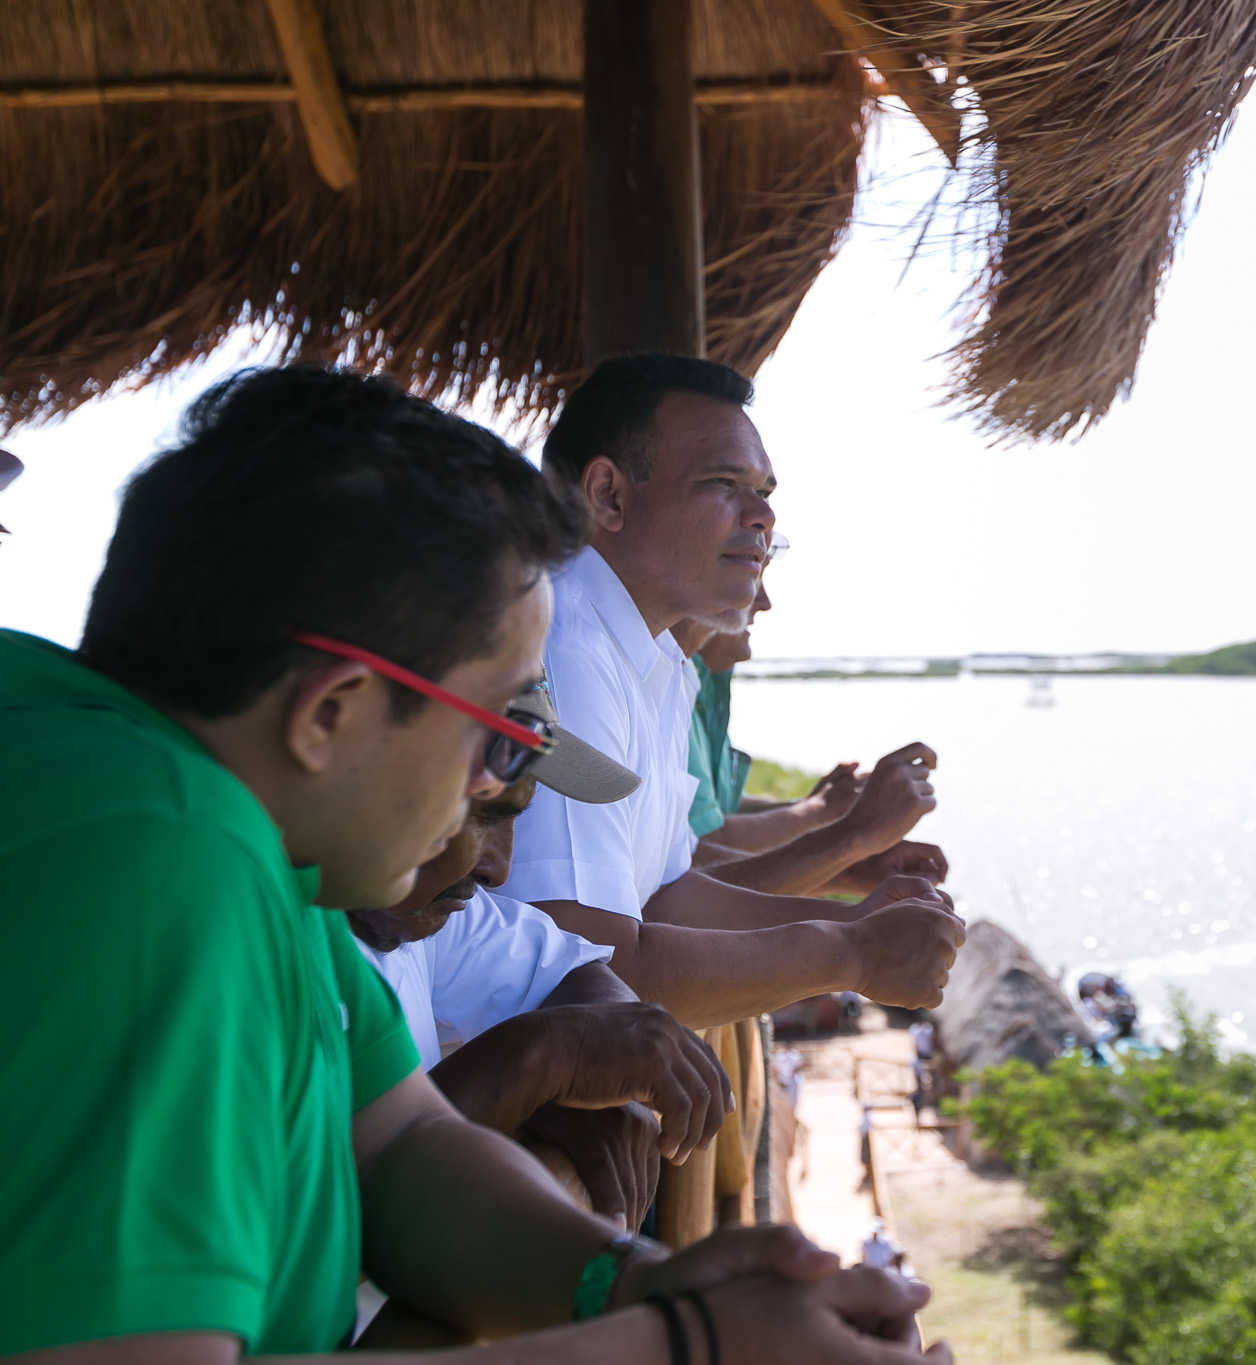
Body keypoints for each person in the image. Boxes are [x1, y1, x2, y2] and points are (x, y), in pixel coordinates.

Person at [0, 367, 945, 1362]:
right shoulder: (156, 860)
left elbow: (399, 1146)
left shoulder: (267, 841)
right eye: (499, 742)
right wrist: (687, 1343)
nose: (497, 804)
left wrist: (636, 1279)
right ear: (331, 714)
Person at [504, 354, 965, 1026]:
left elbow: (665, 897)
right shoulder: (568, 651)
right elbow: (592, 968)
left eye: (767, 493)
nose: (761, 518)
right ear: (608, 495)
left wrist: (866, 919)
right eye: (724, 483)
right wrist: (851, 951)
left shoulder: (656, 660)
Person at [350, 761, 726, 1229]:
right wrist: (538, 1062)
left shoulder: (413, 903)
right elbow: (324, 1206)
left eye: (514, 817)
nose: (500, 868)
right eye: (480, 809)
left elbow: (571, 972)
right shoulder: (253, 938)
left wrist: (579, 1071)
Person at [684, 578, 948, 896]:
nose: (764, 602)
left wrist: (825, 823)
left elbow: (708, 811)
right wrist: (829, 821)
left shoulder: (703, 681)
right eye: (749, 572)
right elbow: (700, 847)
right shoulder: (670, 688)